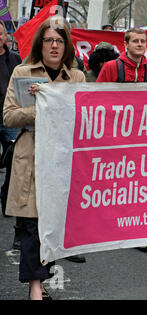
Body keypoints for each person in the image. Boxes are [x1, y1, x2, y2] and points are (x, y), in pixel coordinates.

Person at [3, 17, 86, 299]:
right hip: (30, 160)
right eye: (49, 40)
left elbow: (85, 120)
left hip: (61, 161)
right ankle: (35, 289)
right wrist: (39, 109)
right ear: (41, 43)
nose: (54, 45)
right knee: (31, 227)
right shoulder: (22, 72)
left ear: (66, 46)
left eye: (59, 40)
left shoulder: (76, 77)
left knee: (52, 228)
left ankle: (41, 280)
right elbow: (9, 116)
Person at [97, 28, 147, 253]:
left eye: (143, 41)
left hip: (142, 138)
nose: (140, 44)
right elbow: (98, 102)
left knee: (140, 187)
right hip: (116, 137)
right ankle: (108, 227)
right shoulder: (111, 67)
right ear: (126, 44)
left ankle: (139, 233)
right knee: (114, 185)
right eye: (136, 41)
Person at [0, 20, 21, 217]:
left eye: (0, 33)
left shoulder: (15, 60)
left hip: (10, 119)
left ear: (5, 36)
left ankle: (6, 200)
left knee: (12, 161)